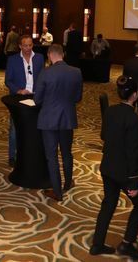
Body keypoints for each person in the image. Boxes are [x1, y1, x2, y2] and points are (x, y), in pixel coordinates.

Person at [90, 76, 138, 260]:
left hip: (107, 167)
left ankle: (97, 245)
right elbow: (133, 153)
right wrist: (133, 182)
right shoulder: (133, 119)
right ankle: (126, 244)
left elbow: (103, 136)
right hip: (124, 173)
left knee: (108, 203)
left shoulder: (110, 111)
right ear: (135, 95)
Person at [34, 44, 82, 201]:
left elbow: (37, 99)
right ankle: (68, 183)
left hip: (49, 120)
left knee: (52, 156)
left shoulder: (45, 72)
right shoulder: (76, 72)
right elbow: (77, 98)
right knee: (67, 153)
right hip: (67, 119)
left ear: (49, 55)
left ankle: (57, 191)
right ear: (63, 54)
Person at [4, 34, 45, 166]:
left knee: (35, 128)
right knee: (15, 128)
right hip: (18, 97)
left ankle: (31, 155)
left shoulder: (39, 58)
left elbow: (42, 77)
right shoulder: (13, 59)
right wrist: (18, 90)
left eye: (30, 45)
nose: (28, 48)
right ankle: (12, 156)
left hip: (35, 97)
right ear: (20, 46)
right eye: (25, 45)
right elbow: (8, 81)